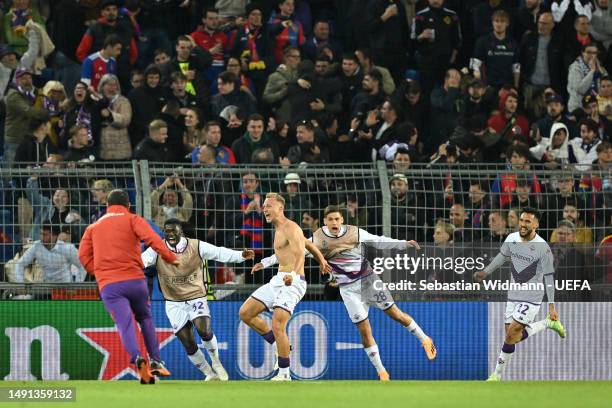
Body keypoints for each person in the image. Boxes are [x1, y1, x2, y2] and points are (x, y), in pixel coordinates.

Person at [255, 205, 436, 381]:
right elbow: (289, 253)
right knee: (364, 330)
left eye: (337, 219)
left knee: (395, 314)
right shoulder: (317, 239)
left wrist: (403, 244)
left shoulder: (354, 232)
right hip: (348, 290)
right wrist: (265, 262)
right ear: (324, 222)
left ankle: (425, 339)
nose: (334, 222)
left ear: (342, 220)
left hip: (369, 281)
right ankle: (382, 373)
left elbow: (378, 240)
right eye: (330, 219)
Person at [78, 189, 179, 384]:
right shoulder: (133, 219)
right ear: (128, 206)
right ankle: (156, 361)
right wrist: (171, 258)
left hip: (110, 285)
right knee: (146, 318)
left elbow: (83, 256)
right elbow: (154, 240)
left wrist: (99, 272)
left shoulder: (93, 227)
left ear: (107, 206)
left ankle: (138, 358)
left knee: (125, 324)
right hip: (135, 281)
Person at [141, 218, 254, 381]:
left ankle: (216, 362)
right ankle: (209, 373)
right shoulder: (157, 249)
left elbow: (220, 252)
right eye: (167, 232)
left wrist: (241, 256)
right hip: (173, 303)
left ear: (180, 232)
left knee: (204, 330)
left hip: (196, 297)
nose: (170, 234)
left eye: (174, 231)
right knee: (188, 342)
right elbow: (140, 262)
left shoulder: (196, 245)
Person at [239, 193, 329, 381]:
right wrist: (263, 263)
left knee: (278, 324)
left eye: (269, 206)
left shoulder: (291, 227)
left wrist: (293, 275)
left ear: (280, 208)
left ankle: (284, 373)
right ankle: (276, 345)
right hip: (278, 280)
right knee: (245, 313)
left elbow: (299, 256)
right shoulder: (279, 229)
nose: (264, 209)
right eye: (264, 206)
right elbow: (306, 246)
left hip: (293, 282)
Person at [473, 207, 566, 381]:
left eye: (527, 222)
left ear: (536, 224)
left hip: (532, 297)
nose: (523, 225)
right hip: (513, 295)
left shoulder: (543, 248)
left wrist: (552, 305)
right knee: (512, 335)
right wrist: (486, 272)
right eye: (521, 221)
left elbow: (549, 278)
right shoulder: (511, 238)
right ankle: (547, 324)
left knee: (511, 334)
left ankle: (496, 376)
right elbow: (501, 257)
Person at [13, 222, 86, 283]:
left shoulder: (67, 248)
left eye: (45, 235)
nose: (41, 237)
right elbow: (20, 264)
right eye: (41, 234)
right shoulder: (36, 246)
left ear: (54, 236)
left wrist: (77, 285)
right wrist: (20, 284)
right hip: (46, 288)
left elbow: (83, 265)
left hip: (65, 288)